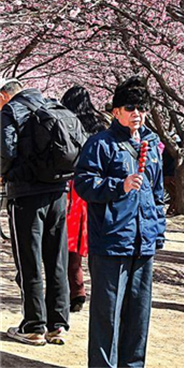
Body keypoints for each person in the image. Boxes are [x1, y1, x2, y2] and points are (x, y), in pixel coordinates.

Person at [74, 76, 166, 368]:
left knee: (139, 313)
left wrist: (158, 230)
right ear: (116, 112)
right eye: (130, 107)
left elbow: (158, 192)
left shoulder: (152, 144)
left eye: (141, 107)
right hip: (112, 240)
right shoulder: (100, 143)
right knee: (107, 313)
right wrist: (119, 185)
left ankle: (133, 365)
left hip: (144, 241)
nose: (137, 113)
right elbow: (84, 184)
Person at [2, 78, 78, 346]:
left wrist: (5, 175)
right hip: (59, 192)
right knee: (56, 259)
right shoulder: (52, 105)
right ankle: (58, 324)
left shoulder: (11, 111)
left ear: (4, 95)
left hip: (26, 195)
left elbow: (5, 150)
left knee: (29, 260)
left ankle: (33, 325)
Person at [61, 85, 110, 314]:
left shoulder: (64, 124)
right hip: (96, 191)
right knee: (91, 242)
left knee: (68, 244)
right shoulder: (100, 128)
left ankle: (74, 290)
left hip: (70, 189)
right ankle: (90, 291)